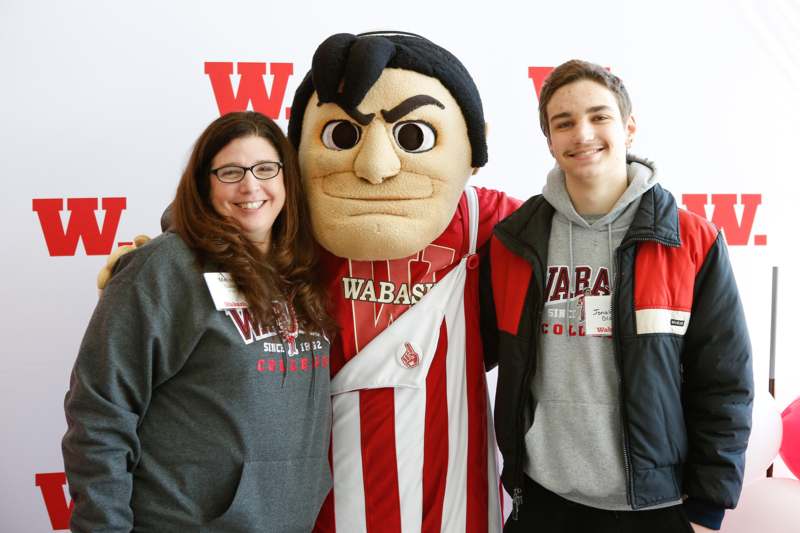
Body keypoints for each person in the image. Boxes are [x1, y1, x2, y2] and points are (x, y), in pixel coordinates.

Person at [482, 60, 753, 532]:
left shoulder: (690, 240)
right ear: (549, 140)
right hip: (545, 498)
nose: (582, 133)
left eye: (599, 116)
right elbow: (477, 350)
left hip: (655, 505)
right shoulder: (514, 241)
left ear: (628, 128)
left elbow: (724, 381)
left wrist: (709, 505)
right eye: (563, 123)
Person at [288, 32, 520, 532]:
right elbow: (225, 224)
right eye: (343, 136)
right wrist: (156, 257)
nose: (375, 166)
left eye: (411, 137)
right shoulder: (294, 224)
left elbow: (580, 229)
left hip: (454, 489)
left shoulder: (483, 219)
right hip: (330, 492)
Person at [62, 111, 334, 532]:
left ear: (287, 180)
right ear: (204, 185)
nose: (250, 186)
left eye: (266, 169)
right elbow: (100, 412)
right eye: (230, 172)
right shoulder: (164, 268)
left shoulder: (302, 272)